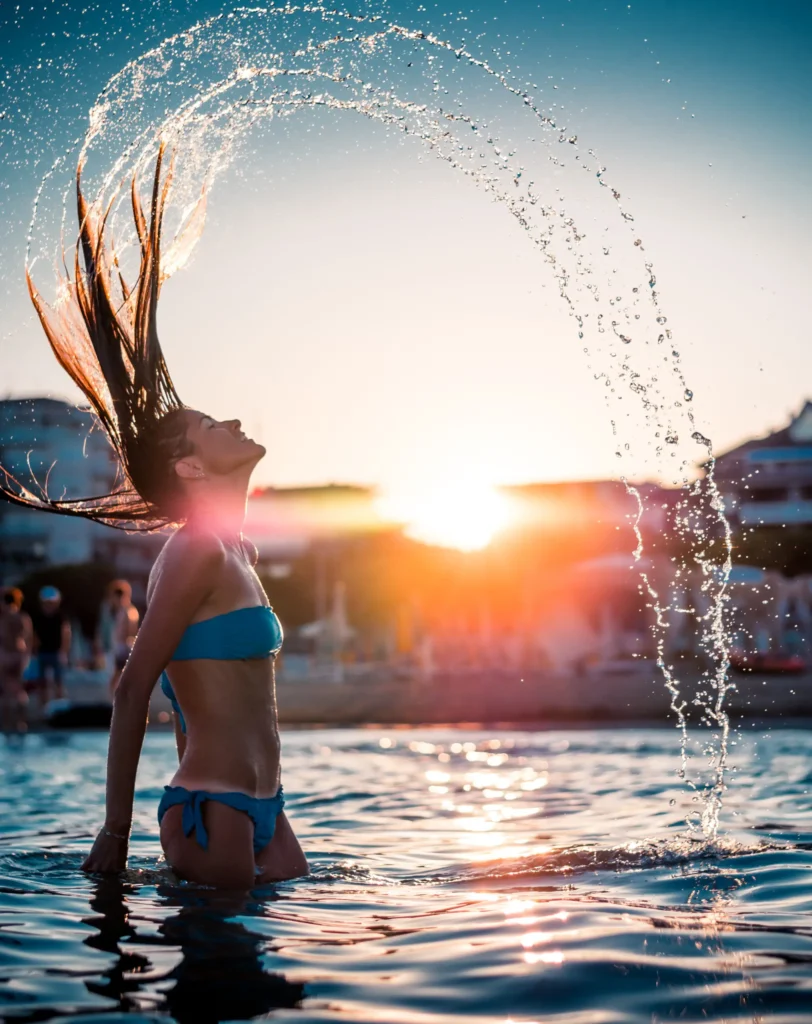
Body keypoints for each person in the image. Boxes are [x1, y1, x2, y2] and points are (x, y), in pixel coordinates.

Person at [0, 147, 307, 887]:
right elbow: (135, 685)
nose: (232, 419)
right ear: (191, 468)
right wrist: (117, 831)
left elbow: (188, 685)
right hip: (215, 807)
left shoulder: (237, 553)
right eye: (210, 425)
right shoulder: (196, 550)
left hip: (265, 805)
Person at [96, 581, 140, 696]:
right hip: (113, 648)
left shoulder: (129, 611)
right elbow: (103, 629)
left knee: (122, 675)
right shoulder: (108, 610)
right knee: (114, 675)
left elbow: (131, 630)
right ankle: (113, 698)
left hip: (124, 647)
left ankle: (119, 698)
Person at [30, 585, 71, 709]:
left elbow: (66, 634)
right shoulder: (38, 616)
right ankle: (44, 708)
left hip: (56, 652)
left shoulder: (60, 616)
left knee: (58, 681)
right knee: (42, 682)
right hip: (42, 652)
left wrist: (63, 651)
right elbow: (34, 635)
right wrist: (34, 650)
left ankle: (58, 707)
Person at [0, 587, 33, 733]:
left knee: (7, 691)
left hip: (6, 655)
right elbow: (29, 638)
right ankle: (21, 723)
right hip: (20, 655)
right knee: (20, 690)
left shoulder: (5, 618)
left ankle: (7, 724)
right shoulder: (23, 617)